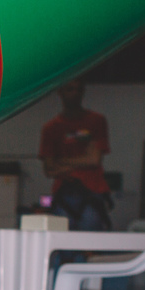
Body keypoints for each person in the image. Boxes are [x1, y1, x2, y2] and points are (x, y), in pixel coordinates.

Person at [39, 79, 112, 230]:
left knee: (89, 242)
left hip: (93, 191)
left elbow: (94, 159)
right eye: (70, 89)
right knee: (63, 243)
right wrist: (83, 160)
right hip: (64, 193)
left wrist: (62, 162)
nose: (75, 94)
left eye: (79, 90)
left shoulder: (96, 121)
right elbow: (49, 169)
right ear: (60, 92)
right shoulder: (51, 128)